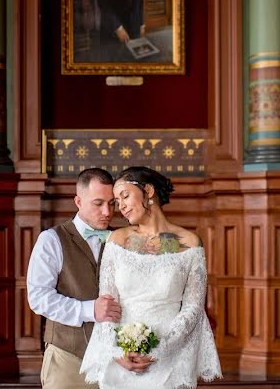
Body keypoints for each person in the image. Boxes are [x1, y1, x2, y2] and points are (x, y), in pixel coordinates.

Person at [80, 167, 221, 389]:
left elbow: (193, 308)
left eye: (125, 196)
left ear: (148, 190)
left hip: (170, 358)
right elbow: (107, 301)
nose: (121, 207)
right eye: (117, 201)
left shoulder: (190, 243)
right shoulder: (118, 240)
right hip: (123, 360)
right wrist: (117, 352)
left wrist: (161, 349)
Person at [27, 168, 123, 389]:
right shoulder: (51, 240)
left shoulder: (121, 240)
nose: (107, 212)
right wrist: (90, 310)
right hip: (68, 360)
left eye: (112, 203)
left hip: (115, 361)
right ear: (78, 201)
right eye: (98, 203)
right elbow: (38, 298)